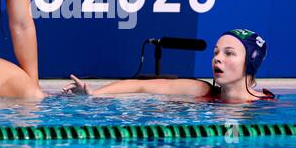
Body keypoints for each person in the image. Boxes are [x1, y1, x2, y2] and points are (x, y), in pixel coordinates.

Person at [62, 29, 275, 103]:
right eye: (216, 52)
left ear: (250, 62)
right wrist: (94, 94)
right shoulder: (204, 91)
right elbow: (140, 86)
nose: (218, 59)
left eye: (229, 53)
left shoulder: (267, 105)